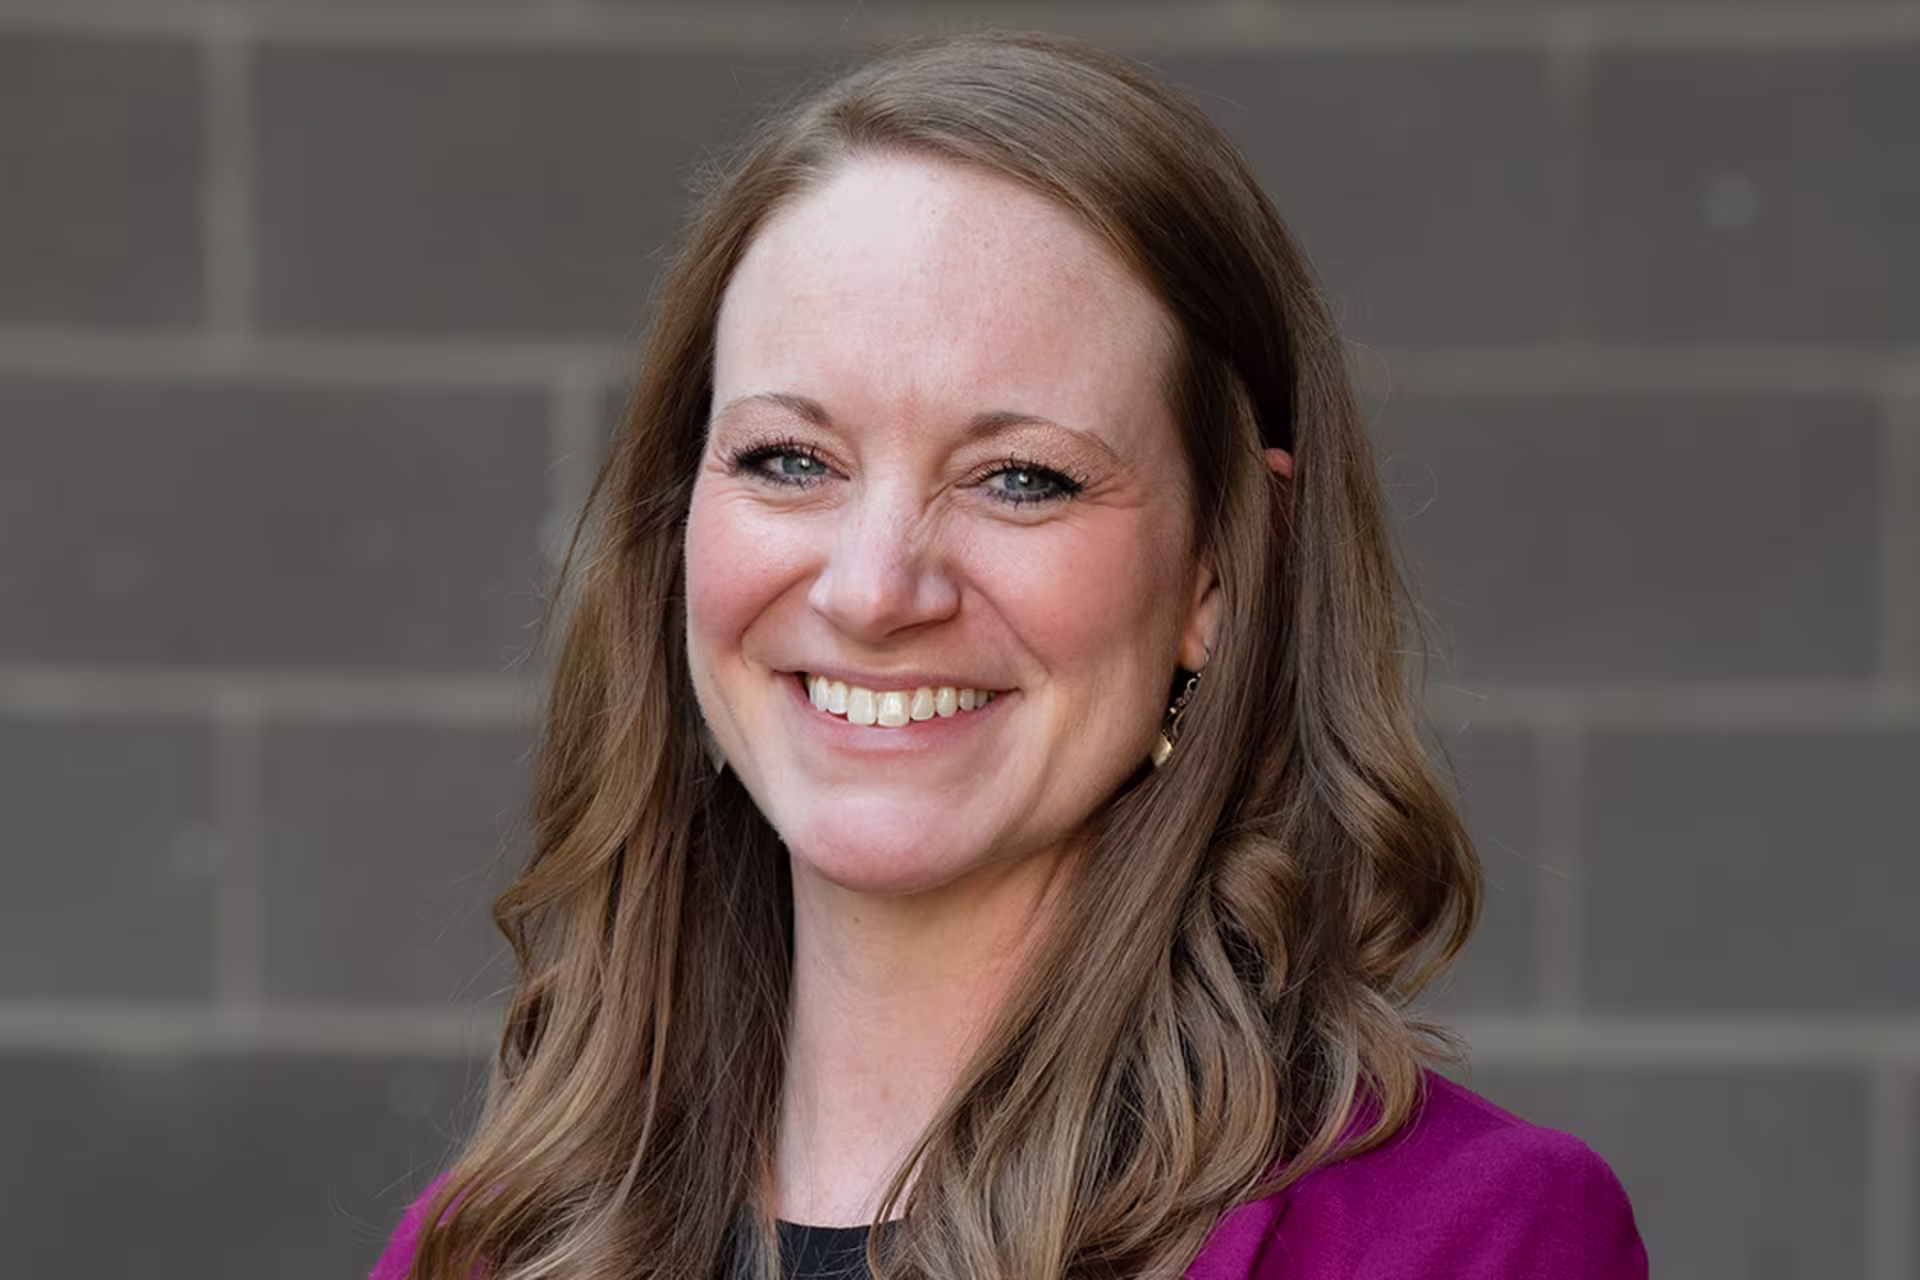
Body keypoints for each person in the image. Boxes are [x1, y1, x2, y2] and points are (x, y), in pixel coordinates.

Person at [373, 30, 1646, 1280]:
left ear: (1218, 570)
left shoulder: (1470, 1240)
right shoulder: (485, 1246)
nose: (874, 589)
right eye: (789, 460)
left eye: (1020, 478)